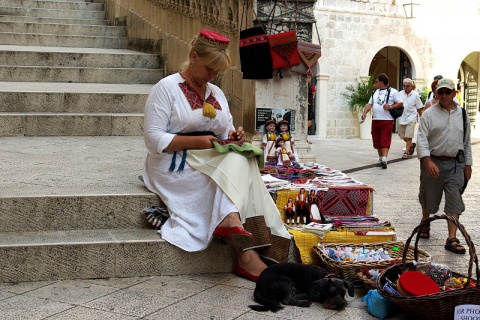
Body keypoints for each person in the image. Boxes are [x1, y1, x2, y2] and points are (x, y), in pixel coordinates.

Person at [143, 29, 291, 281]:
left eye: (217, 72)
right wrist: (200, 141)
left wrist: (236, 136)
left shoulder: (216, 94)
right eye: (209, 69)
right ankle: (238, 235)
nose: (212, 76)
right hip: (175, 162)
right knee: (236, 165)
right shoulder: (166, 88)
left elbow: (227, 130)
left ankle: (237, 233)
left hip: (211, 157)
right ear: (193, 57)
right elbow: (153, 139)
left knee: (241, 156)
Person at [416, 78, 472, 254]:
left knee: (454, 200)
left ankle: (452, 238)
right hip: (433, 162)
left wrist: (468, 164)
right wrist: (427, 161)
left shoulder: (462, 114)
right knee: (428, 198)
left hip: (455, 164)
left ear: (455, 93)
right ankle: (426, 221)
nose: (444, 95)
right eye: (441, 92)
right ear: (436, 93)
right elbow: (422, 139)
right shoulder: (429, 114)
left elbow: (466, 142)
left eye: (448, 92)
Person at [361, 73, 404, 169]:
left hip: (387, 119)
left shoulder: (393, 92)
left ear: (382, 82)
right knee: (376, 139)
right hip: (376, 119)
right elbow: (369, 104)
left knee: (385, 138)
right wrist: (365, 113)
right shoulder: (375, 92)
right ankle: (380, 157)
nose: (375, 83)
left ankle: (384, 157)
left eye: (376, 81)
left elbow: (400, 103)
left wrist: (391, 106)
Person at [398, 78, 424, 159]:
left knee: (409, 135)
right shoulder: (399, 94)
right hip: (402, 118)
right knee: (402, 135)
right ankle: (411, 145)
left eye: (407, 86)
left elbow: (419, 108)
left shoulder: (415, 95)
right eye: (404, 85)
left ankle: (406, 152)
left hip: (411, 118)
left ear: (412, 86)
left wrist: (421, 119)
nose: (405, 87)